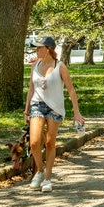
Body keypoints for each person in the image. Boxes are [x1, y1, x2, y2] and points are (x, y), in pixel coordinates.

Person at [24, 35, 85, 192]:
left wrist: (76, 113)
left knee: (50, 142)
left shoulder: (60, 67)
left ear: (48, 49)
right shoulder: (34, 66)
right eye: (36, 48)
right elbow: (31, 89)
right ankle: (39, 171)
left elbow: (71, 89)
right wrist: (26, 109)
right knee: (34, 142)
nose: (36, 50)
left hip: (55, 108)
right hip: (37, 105)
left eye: (39, 48)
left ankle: (48, 178)